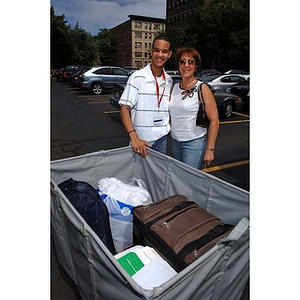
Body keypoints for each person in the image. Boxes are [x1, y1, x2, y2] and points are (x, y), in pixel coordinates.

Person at [119, 35, 173, 157]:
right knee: (139, 176)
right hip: (141, 142)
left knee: (157, 175)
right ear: (151, 51)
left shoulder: (169, 81)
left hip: (162, 139)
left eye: (164, 51)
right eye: (157, 50)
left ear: (169, 54)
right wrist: (134, 136)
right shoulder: (136, 77)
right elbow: (124, 108)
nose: (160, 55)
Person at [169, 47, 219, 169]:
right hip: (175, 141)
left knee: (189, 181)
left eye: (191, 62)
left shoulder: (202, 88)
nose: (186, 65)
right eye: (182, 61)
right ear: (178, 65)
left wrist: (210, 149)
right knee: (180, 177)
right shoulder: (173, 87)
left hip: (193, 143)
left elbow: (214, 121)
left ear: (196, 66)